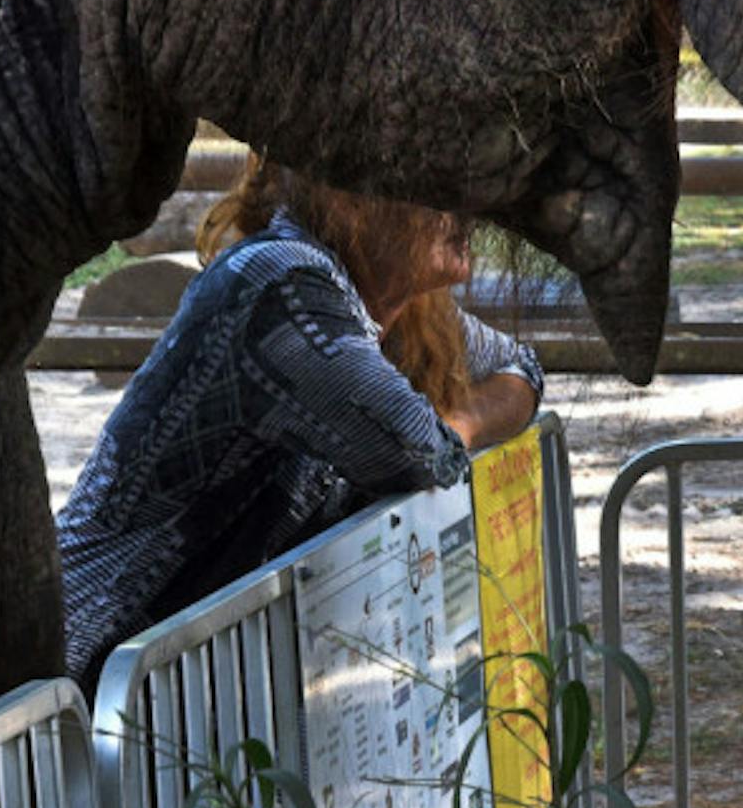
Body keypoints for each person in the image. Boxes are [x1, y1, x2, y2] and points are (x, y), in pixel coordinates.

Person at [59, 157, 543, 691]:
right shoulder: (281, 282)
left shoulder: (398, 309)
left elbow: (521, 369)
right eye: (433, 184)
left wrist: (460, 420)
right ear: (349, 200)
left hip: (194, 675)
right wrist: (452, 431)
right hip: (103, 671)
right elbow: (417, 450)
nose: (465, 208)